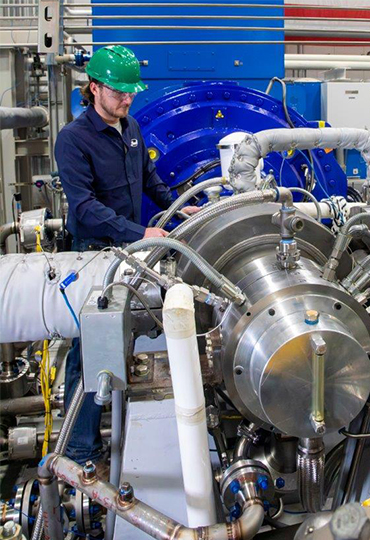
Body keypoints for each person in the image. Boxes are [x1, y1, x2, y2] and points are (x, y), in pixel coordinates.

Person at [55, 45, 200, 465]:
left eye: (131, 92)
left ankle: (126, 421)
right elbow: (83, 207)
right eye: (118, 92)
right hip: (93, 255)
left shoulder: (130, 126)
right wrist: (140, 232)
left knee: (127, 337)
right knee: (90, 350)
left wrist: (177, 205)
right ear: (94, 88)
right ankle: (81, 448)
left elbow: (148, 180)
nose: (127, 99)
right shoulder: (74, 139)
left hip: (127, 249)